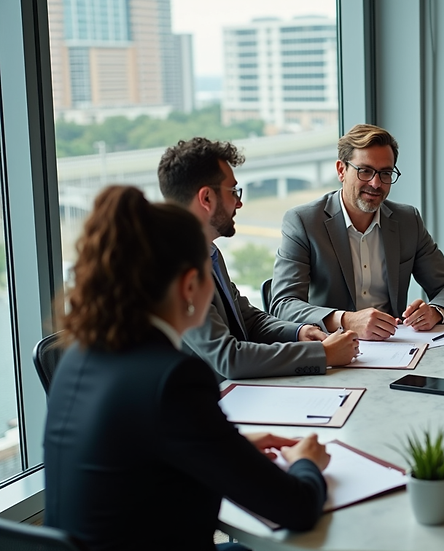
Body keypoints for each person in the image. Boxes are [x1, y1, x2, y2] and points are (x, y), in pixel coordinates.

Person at [44, 186, 331, 551]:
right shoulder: (173, 380)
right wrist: (307, 463)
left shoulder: (78, 355)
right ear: (189, 286)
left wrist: (231, 447)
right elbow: (296, 507)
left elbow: (142, 451)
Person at [158, 137, 358, 379]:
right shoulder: (172, 266)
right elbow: (229, 358)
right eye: (233, 192)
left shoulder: (208, 253)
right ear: (206, 198)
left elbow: (248, 320)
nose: (239, 203)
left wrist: (299, 332)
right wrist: (323, 354)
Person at [271, 123, 444, 340]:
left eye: (385, 173)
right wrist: (345, 320)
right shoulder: (304, 222)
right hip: (333, 347)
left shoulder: (407, 220)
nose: (376, 183)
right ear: (341, 170)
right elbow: (283, 304)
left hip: (396, 346)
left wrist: (435, 311)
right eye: (365, 171)